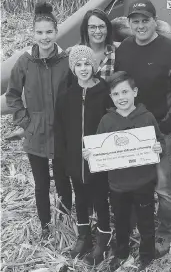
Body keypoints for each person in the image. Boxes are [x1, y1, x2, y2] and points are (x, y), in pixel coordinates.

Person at [114, 0, 171, 257]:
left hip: (162, 130)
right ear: (129, 23)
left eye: (145, 20)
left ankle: (165, 233)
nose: (140, 26)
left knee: (164, 186)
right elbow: (119, 87)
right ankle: (128, 226)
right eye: (135, 21)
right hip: (132, 128)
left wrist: (167, 126)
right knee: (132, 181)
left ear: (155, 22)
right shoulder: (124, 49)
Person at [83, 71, 165, 271]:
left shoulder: (146, 117)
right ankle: (121, 253)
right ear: (111, 97)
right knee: (120, 221)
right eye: (116, 94)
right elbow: (99, 147)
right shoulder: (107, 121)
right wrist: (90, 154)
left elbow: (160, 141)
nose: (122, 97)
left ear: (135, 92)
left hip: (143, 181)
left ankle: (147, 254)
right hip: (117, 184)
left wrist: (158, 148)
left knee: (146, 221)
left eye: (125, 92)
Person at [5, 1, 73, 239]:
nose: (45, 37)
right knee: (42, 185)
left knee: (64, 181)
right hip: (36, 134)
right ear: (33, 34)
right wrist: (26, 122)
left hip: (63, 134)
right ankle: (45, 226)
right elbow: (13, 95)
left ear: (56, 33)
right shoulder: (25, 62)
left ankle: (67, 220)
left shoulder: (66, 61)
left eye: (49, 32)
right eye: (40, 32)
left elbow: (76, 96)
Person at [54, 45, 113, 266]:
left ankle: (104, 236)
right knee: (80, 197)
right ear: (72, 68)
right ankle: (84, 236)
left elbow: (113, 125)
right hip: (75, 159)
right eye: (78, 65)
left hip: (98, 158)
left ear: (94, 66)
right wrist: (63, 156)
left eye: (87, 63)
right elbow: (59, 128)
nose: (83, 68)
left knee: (100, 198)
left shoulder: (105, 93)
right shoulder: (67, 95)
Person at [79, 8, 115, 80]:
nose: (98, 31)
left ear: (107, 28)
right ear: (86, 29)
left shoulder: (115, 52)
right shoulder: (76, 53)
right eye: (92, 27)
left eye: (101, 26)